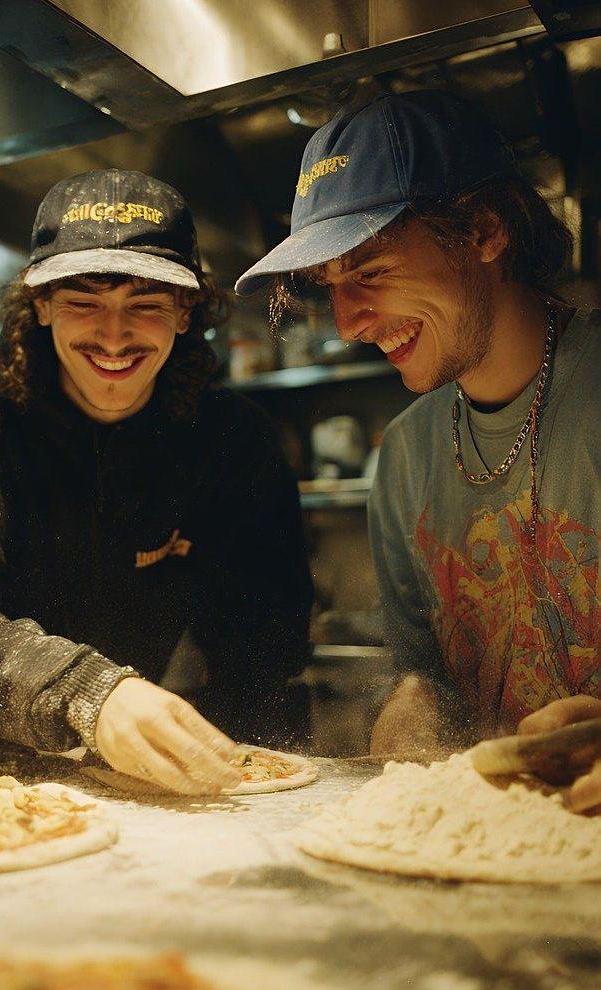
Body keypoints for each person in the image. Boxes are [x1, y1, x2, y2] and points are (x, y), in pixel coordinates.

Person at [0, 169, 313, 794]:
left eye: (146, 305)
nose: (114, 335)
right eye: (84, 301)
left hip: (147, 781)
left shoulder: (233, 441)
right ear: (41, 304)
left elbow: (263, 650)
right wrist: (87, 695)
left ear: (186, 312)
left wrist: (247, 778)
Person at [234, 89, 601, 809]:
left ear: (485, 232)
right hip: (502, 850)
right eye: (327, 286)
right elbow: (425, 673)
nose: (346, 324)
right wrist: (412, 707)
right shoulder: (405, 455)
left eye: (370, 273)